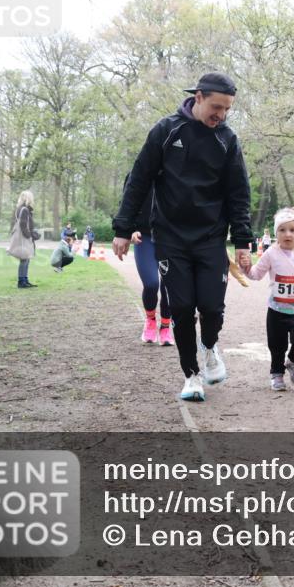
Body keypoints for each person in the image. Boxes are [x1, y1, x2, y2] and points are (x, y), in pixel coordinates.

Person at [112, 71, 254, 403]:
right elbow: (139, 180)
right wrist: (122, 229)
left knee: (211, 307)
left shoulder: (227, 140)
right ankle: (191, 375)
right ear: (199, 97)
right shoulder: (166, 131)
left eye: (227, 110)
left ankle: (210, 346)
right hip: (171, 237)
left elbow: (239, 194)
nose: (221, 115)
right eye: (217, 107)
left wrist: (243, 241)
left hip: (210, 237)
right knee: (181, 307)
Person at [245, 208, 294, 391]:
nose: (287, 234)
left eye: (292, 230)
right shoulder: (271, 253)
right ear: (276, 233)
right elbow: (256, 274)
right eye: (282, 230)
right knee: (277, 345)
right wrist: (245, 267)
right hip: (277, 310)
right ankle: (276, 373)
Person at [120, 175, 174, 346]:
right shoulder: (137, 173)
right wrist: (131, 230)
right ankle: (150, 320)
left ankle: (165, 327)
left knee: (170, 286)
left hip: (171, 238)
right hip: (144, 237)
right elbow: (128, 205)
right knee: (151, 284)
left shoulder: (177, 170)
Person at [9, 190, 39, 288]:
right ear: (29, 198)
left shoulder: (20, 209)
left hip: (23, 237)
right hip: (24, 237)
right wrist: (29, 235)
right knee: (24, 259)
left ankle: (24, 280)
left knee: (25, 259)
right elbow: (23, 224)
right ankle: (22, 282)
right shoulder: (24, 210)